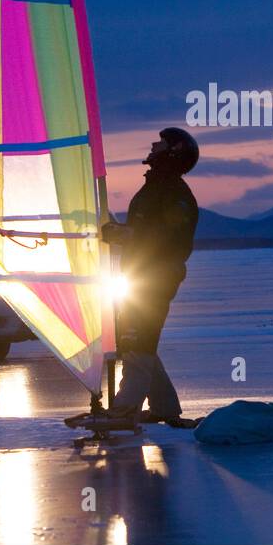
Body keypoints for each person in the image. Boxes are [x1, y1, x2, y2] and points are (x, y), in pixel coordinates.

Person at [101, 127, 200, 428]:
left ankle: (125, 409)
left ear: (173, 151)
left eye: (162, 142)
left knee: (138, 340)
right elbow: (143, 229)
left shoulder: (175, 193)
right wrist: (121, 232)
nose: (154, 144)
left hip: (157, 277)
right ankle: (165, 408)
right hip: (137, 275)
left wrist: (127, 235)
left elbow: (170, 237)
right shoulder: (155, 187)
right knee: (135, 337)